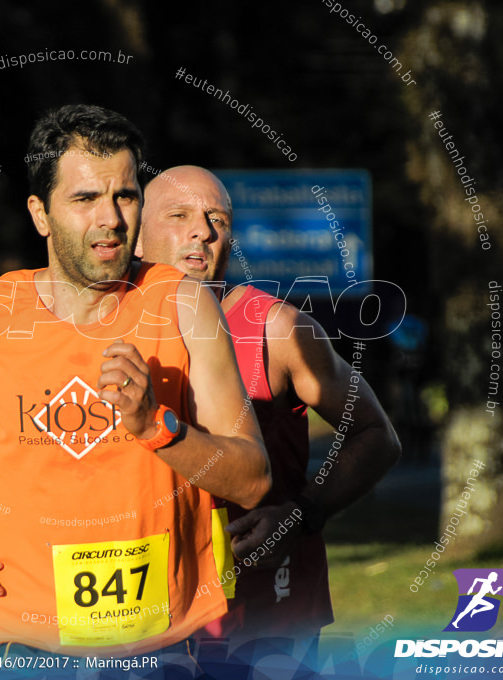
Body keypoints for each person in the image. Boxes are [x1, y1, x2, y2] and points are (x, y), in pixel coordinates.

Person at [0, 106, 271, 667]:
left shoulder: (184, 307)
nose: (110, 219)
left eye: (126, 196)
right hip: (18, 646)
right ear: (40, 214)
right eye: (85, 199)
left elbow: (253, 481)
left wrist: (157, 428)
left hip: (155, 651)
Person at [137, 166, 402, 662]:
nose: (202, 230)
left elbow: (376, 434)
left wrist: (301, 514)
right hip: (149, 611)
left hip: (267, 617)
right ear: (135, 237)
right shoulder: (104, 334)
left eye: (217, 218)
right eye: (179, 215)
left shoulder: (276, 329)